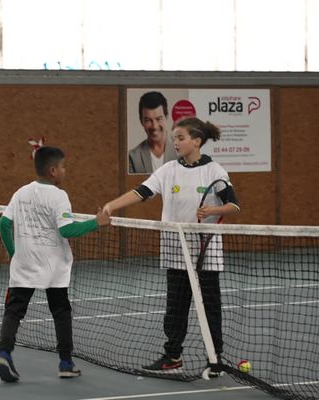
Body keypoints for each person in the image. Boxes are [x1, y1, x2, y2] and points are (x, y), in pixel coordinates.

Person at [105, 117, 240, 374]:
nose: (175, 142)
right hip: (175, 252)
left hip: (206, 253)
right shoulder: (168, 170)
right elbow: (142, 191)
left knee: (210, 308)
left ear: (197, 141)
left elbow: (234, 206)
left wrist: (214, 208)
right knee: (175, 308)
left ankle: (216, 360)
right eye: (174, 138)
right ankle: (173, 358)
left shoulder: (215, 171)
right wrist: (112, 205)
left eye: (180, 138)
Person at [0, 146, 111, 383]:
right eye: (63, 167)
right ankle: (66, 363)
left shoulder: (21, 193)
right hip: (53, 267)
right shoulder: (59, 196)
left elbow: (3, 224)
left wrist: (14, 253)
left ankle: (4, 354)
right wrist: (96, 223)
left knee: (14, 311)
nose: (65, 171)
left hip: (24, 263)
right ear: (53, 170)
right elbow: (67, 229)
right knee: (61, 312)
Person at [128, 91, 177, 174]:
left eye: (158, 119)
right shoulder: (133, 157)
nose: (154, 126)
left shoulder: (183, 151)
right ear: (141, 121)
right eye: (148, 120)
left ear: (166, 117)